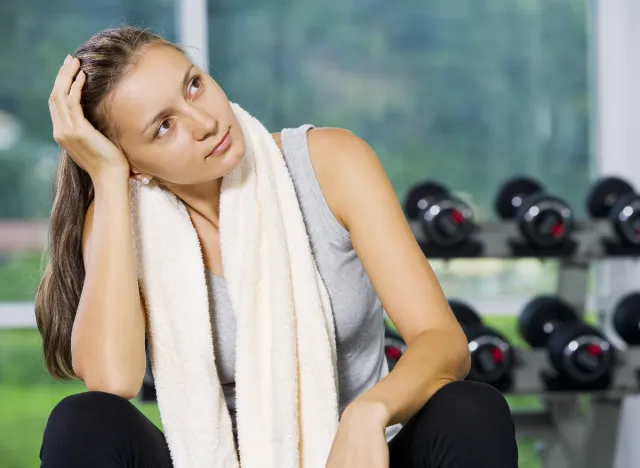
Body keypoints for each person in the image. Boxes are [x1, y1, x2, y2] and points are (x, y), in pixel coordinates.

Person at [35, 26, 518, 468]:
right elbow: (111, 379)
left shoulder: (330, 164)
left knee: (471, 409)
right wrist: (109, 177)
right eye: (163, 126)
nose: (203, 121)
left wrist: (369, 413)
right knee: (85, 421)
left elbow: (443, 341)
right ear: (135, 165)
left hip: (359, 457)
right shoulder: (122, 216)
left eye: (193, 85)